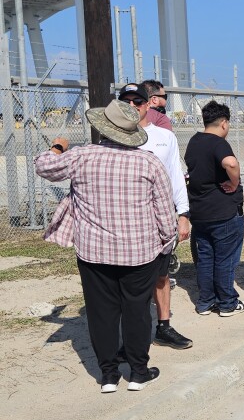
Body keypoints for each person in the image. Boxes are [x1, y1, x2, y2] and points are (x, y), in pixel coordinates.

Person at [36, 100, 175, 392]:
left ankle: (108, 375)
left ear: (102, 128)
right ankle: (138, 372)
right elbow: (164, 213)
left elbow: (43, 166)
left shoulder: (82, 156)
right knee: (137, 310)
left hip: (93, 252)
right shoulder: (149, 162)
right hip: (139, 252)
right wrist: (166, 241)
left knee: (101, 312)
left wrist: (58, 147)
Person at [116, 83, 191, 350]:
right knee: (127, 279)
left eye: (138, 101)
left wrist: (183, 214)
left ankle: (164, 326)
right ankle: (130, 339)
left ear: (148, 104)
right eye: (127, 102)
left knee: (161, 274)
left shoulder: (164, 137)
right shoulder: (113, 136)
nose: (133, 107)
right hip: (126, 219)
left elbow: (175, 176)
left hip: (159, 218)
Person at [185, 101, 244, 316]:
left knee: (205, 258)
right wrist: (234, 182)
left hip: (200, 212)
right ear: (223, 123)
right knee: (225, 259)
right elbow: (230, 163)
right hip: (223, 212)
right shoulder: (218, 143)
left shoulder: (194, 141)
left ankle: (205, 302)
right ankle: (227, 302)